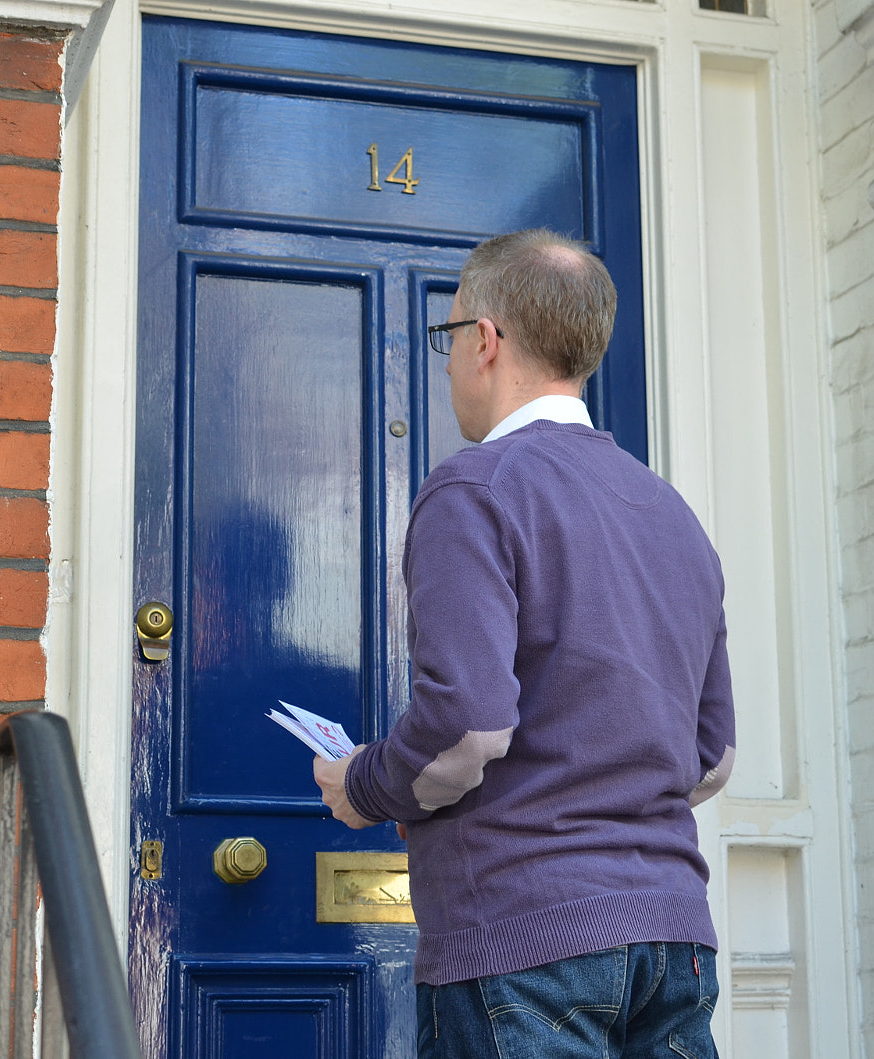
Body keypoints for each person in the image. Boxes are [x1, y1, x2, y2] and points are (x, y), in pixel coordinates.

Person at [313, 228, 736, 1059]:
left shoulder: (475, 489)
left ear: (485, 339)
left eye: (450, 337)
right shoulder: (673, 514)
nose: (447, 363)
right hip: (674, 939)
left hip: (523, 942)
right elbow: (713, 756)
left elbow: (466, 727)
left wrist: (366, 784)